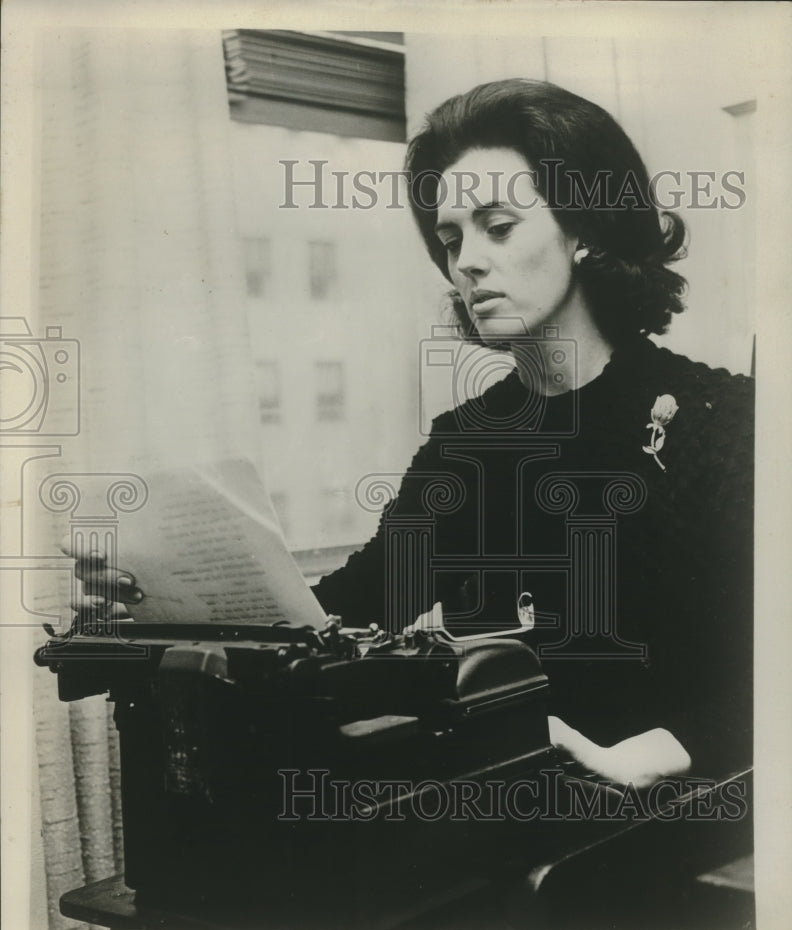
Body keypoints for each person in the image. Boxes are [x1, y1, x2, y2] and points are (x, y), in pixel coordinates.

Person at [68, 79, 754, 789]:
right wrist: (153, 604)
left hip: (681, 819)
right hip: (518, 804)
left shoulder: (723, 419)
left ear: (584, 229)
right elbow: (346, 607)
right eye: (451, 238)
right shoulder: (469, 443)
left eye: (499, 225)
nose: (466, 263)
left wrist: (640, 757)